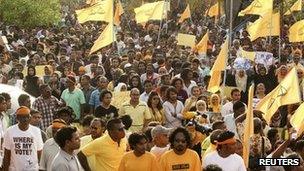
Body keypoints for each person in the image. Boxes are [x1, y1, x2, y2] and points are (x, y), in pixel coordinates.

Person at [3, 106, 44, 171]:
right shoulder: (9, 131)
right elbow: (7, 154)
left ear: (30, 117)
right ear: (17, 118)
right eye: (22, 117)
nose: (25, 119)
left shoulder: (36, 131)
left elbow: (39, 152)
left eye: (27, 116)